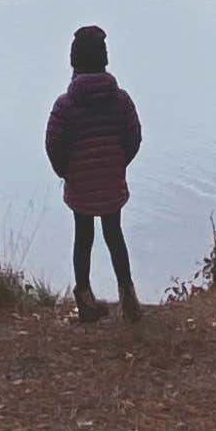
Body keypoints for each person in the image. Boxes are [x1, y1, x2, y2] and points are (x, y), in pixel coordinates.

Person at [45, 23, 144, 324]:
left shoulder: (65, 105)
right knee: (115, 236)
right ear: (105, 59)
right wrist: (118, 165)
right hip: (111, 182)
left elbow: (53, 145)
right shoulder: (121, 100)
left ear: (74, 61)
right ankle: (128, 299)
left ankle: (85, 299)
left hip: (81, 184)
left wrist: (67, 172)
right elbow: (134, 137)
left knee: (83, 237)